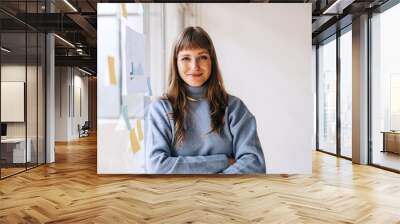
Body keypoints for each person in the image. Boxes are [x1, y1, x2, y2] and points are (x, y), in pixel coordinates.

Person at [145, 26, 266, 174]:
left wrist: (212, 189)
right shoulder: (161, 109)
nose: (194, 66)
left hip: (226, 196)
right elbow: (157, 167)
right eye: (185, 58)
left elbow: (254, 164)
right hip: (176, 196)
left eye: (202, 57)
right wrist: (223, 161)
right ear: (175, 63)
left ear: (212, 61)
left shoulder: (234, 107)